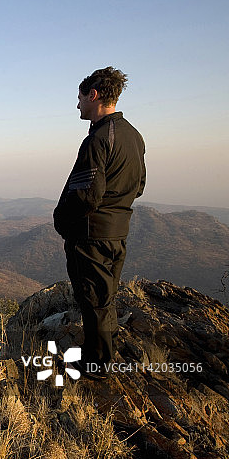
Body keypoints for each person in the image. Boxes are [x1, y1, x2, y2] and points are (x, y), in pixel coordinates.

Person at [53, 66, 146, 379]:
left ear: (93, 95)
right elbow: (139, 185)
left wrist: (62, 221)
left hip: (91, 234)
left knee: (93, 299)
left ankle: (97, 365)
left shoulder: (98, 139)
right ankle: (103, 353)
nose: (78, 105)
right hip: (118, 231)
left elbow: (86, 194)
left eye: (80, 98)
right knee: (104, 297)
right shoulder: (133, 136)